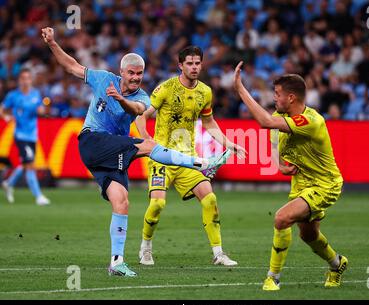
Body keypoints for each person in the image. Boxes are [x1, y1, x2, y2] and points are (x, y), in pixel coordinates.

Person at [41, 27, 229, 277]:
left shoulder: (143, 96)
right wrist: (53, 43)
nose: (136, 78)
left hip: (111, 153)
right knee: (148, 145)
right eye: (131, 73)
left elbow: (137, 109)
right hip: (92, 141)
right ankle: (201, 164)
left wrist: (120, 99)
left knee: (122, 202)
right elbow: (72, 66)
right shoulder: (102, 78)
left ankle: (116, 262)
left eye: (139, 74)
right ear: (121, 72)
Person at [233, 61, 348, 290]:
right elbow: (274, 142)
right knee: (308, 235)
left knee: (281, 218)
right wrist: (279, 165)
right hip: (301, 183)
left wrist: (240, 89)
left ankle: (273, 277)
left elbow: (265, 123)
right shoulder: (280, 115)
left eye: (277, 94)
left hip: (325, 184)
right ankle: (337, 264)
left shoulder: (311, 121)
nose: (274, 99)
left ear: (292, 98)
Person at [135, 46, 246, 267]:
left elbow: (209, 122)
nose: (194, 67)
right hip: (162, 158)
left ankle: (218, 253)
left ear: (201, 65)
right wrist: (148, 139)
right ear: (180, 65)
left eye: (197, 63)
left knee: (210, 199)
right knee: (157, 204)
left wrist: (228, 143)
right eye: (189, 63)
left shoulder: (205, 92)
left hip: (187, 159)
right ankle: (145, 248)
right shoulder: (165, 89)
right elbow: (141, 115)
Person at [1, 68, 51, 206]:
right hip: (20, 135)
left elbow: (40, 109)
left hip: (32, 135)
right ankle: (39, 196)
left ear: (31, 80)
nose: (25, 81)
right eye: (23, 78)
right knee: (30, 165)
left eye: (28, 78)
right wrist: (6, 116)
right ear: (19, 80)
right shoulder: (13, 95)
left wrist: (42, 110)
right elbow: (3, 108)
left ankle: (8, 183)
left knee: (25, 163)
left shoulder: (35, 94)